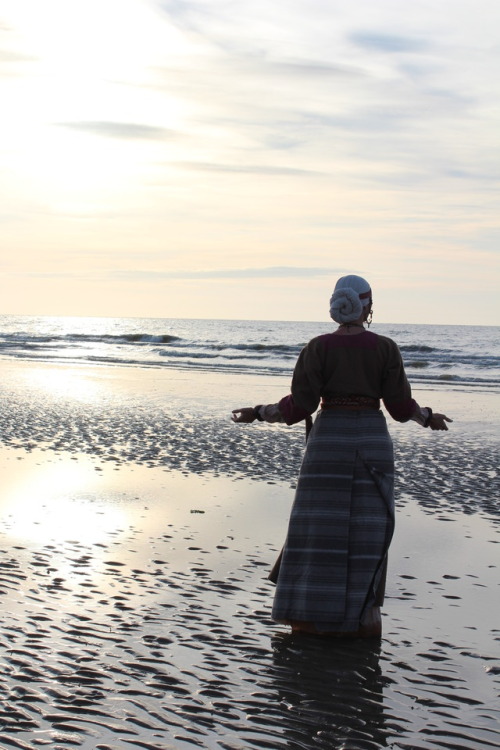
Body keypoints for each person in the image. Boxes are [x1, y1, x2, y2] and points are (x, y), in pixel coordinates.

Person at [232, 275, 452, 638]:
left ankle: (310, 618)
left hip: (328, 444)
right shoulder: (385, 348)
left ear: (336, 305)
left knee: (318, 531)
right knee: (369, 532)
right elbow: (398, 407)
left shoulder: (317, 348)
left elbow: (300, 405)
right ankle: (363, 620)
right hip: (371, 442)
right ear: (367, 306)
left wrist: (258, 411)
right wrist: (427, 417)